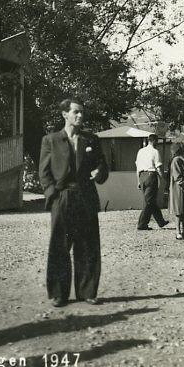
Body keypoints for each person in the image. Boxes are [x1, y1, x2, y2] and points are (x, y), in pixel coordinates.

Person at [39, 99, 109, 306]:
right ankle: (59, 294)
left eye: (82, 113)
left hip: (85, 197)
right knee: (60, 247)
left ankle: (87, 291)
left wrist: (99, 172)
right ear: (65, 115)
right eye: (76, 112)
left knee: (88, 246)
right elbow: (44, 173)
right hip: (63, 198)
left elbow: (103, 166)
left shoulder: (91, 140)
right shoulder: (50, 140)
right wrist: (53, 196)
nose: (80, 116)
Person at [135, 134, 169, 231]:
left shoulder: (140, 151)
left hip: (142, 176)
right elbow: (158, 167)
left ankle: (160, 221)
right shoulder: (155, 152)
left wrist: (138, 180)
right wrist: (163, 178)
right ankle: (142, 224)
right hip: (151, 176)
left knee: (150, 200)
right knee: (149, 201)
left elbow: (137, 168)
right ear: (154, 141)